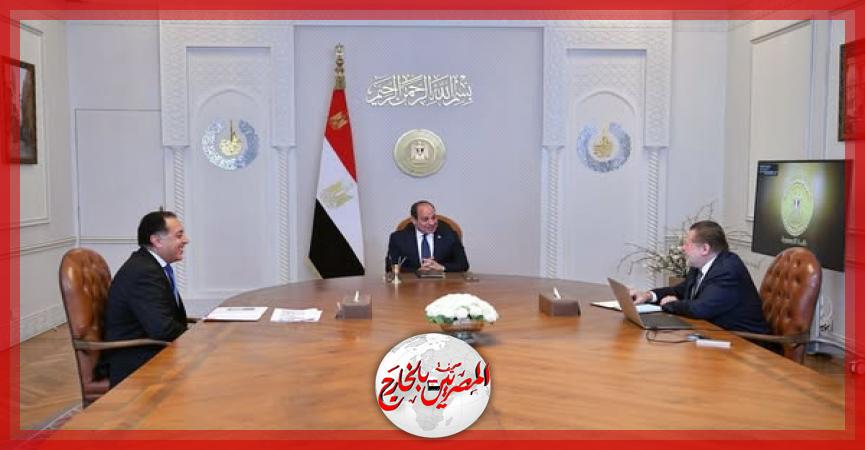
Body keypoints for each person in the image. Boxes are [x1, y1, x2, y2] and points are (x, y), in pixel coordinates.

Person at [630, 220, 770, 334]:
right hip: (716, 334)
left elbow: (700, 308)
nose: (682, 248)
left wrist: (671, 304)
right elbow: (679, 290)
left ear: (705, 249)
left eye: (687, 244)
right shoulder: (700, 265)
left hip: (748, 345)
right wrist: (648, 296)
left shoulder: (727, 269)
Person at [101, 210, 190, 387]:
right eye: (179, 235)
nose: (186, 240)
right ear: (157, 241)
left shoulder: (152, 266)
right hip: (137, 359)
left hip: (154, 348)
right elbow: (162, 329)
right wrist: (196, 337)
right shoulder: (143, 272)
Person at [387, 200, 469, 273]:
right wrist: (417, 271)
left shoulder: (450, 236)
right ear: (414, 220)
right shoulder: (398, 238)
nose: (432, 223)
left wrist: (441, 267)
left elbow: (463, 265)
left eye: (433, 218)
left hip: (443, 283)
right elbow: (390, 267)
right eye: (425, 219)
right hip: (412, 284)